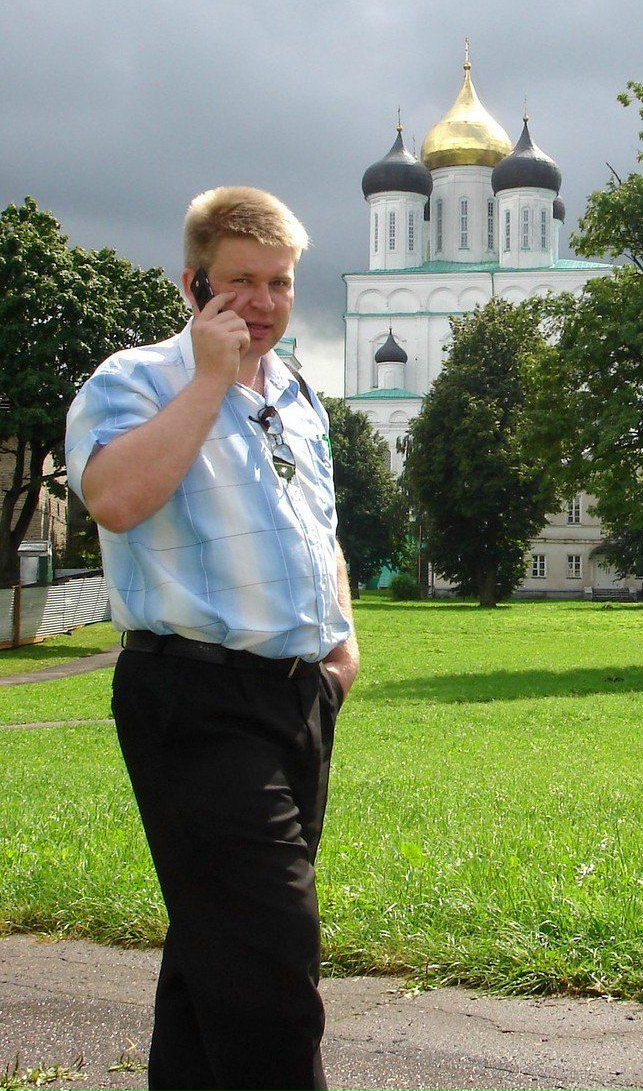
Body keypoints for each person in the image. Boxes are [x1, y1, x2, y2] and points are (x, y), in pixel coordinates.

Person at [65, 186, 358, 1091]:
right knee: (270, 958)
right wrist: (205, 381)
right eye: (241, 283)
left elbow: (320, 527)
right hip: (193, 699)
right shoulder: (134, 379)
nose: (264, 303)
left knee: (213, 952)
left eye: (279, 283)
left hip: (299, 698)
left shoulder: (300, 395)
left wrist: (343, 648)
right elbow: (112, 498)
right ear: (193, 284)